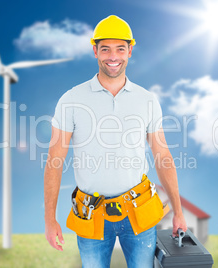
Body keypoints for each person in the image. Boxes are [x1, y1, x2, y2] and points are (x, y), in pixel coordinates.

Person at [44, 15, 187, 268]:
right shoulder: (71, 99)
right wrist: (49, 219)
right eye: (105, 49)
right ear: (95, 51)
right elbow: (54, 161)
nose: (113, 56)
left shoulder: (147, 100)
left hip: (139, 211)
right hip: (91, 215)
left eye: (120, 49)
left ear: (130, 51)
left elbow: (162, 156)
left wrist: (178, 211)